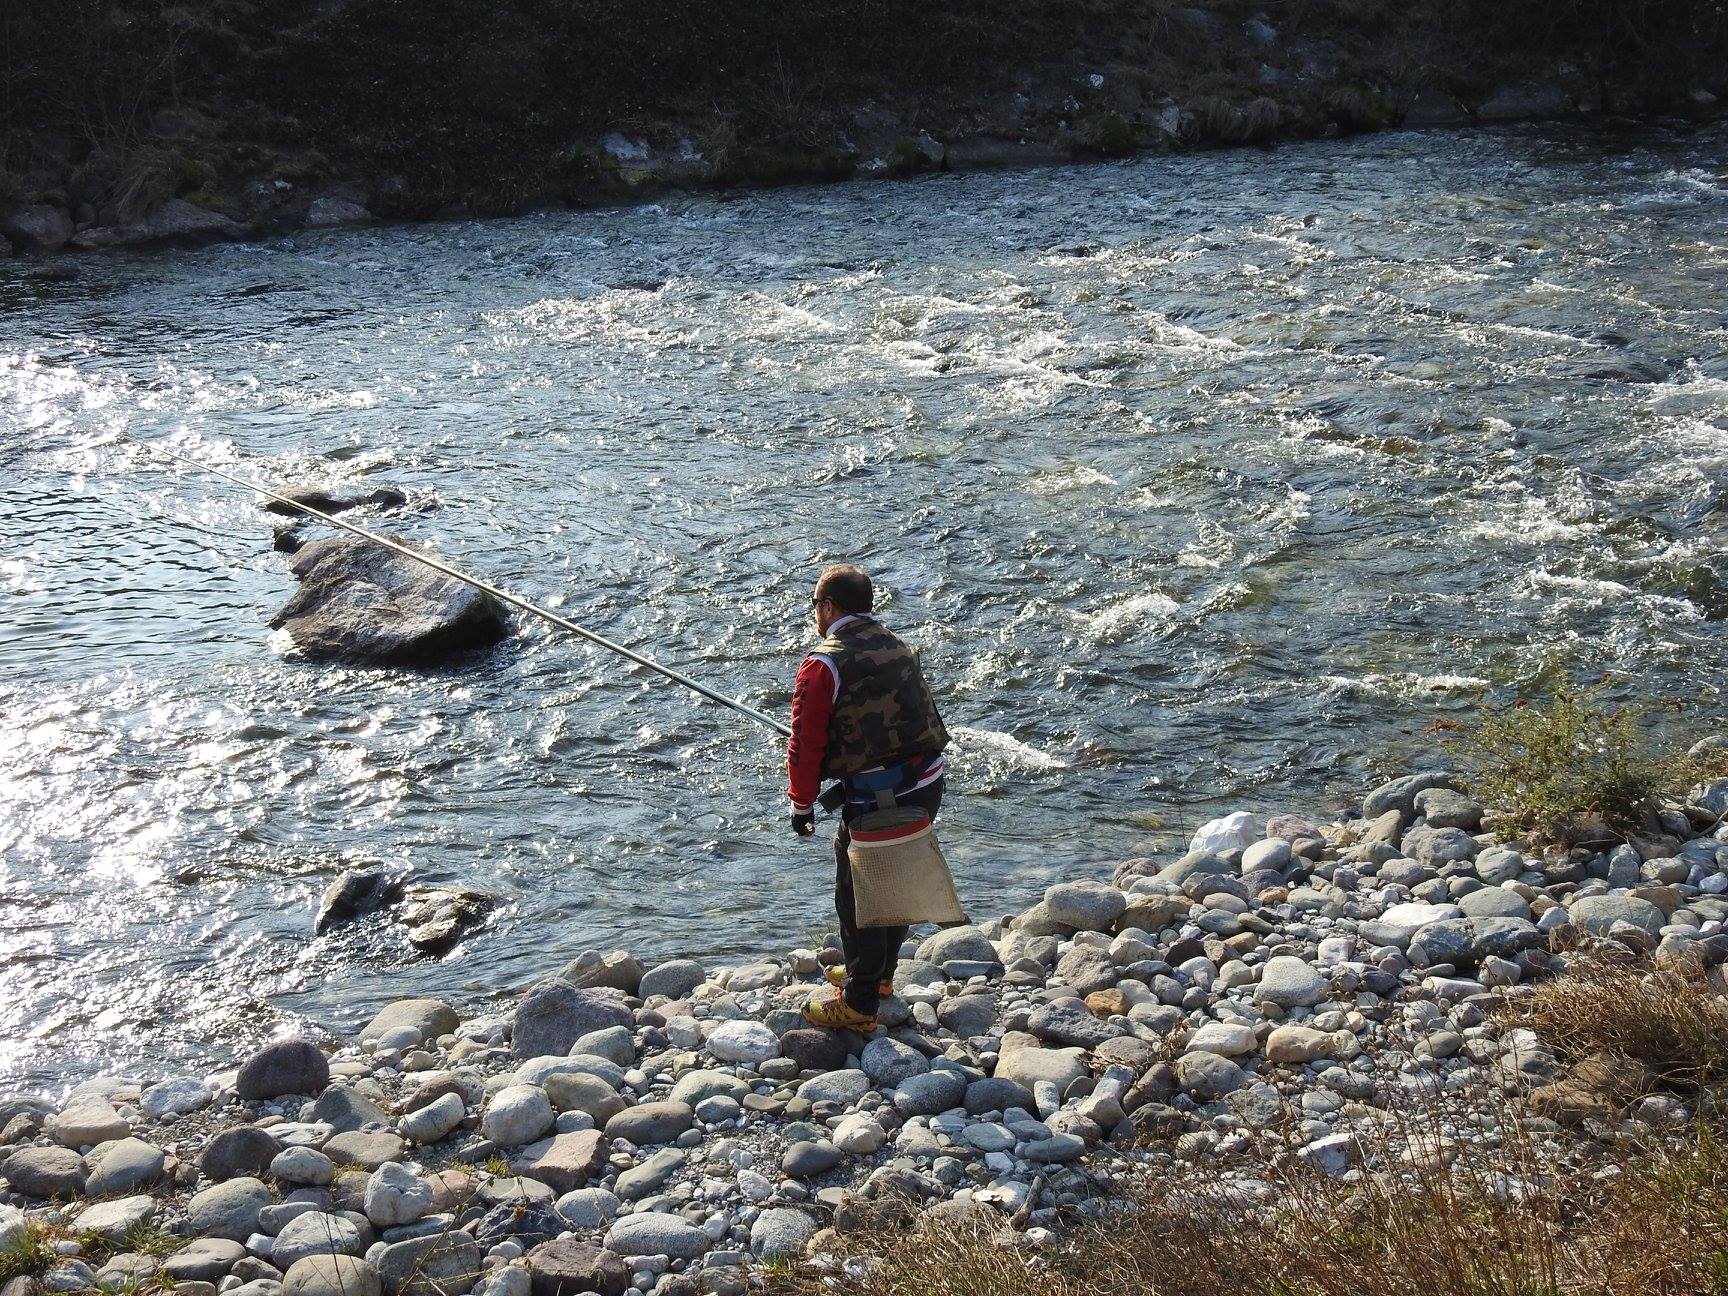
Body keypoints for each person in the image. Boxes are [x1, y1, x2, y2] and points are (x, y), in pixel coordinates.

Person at [786, 564, 950, 1030]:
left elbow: (804, 745)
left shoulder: (823, 664)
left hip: (878, 796)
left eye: (815, 605)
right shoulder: (898, 645)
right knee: (894, 878)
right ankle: (876, 976)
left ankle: (859, 1005)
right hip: (927, 783)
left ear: (828, 607)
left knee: (858, 893)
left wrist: (801, 805)